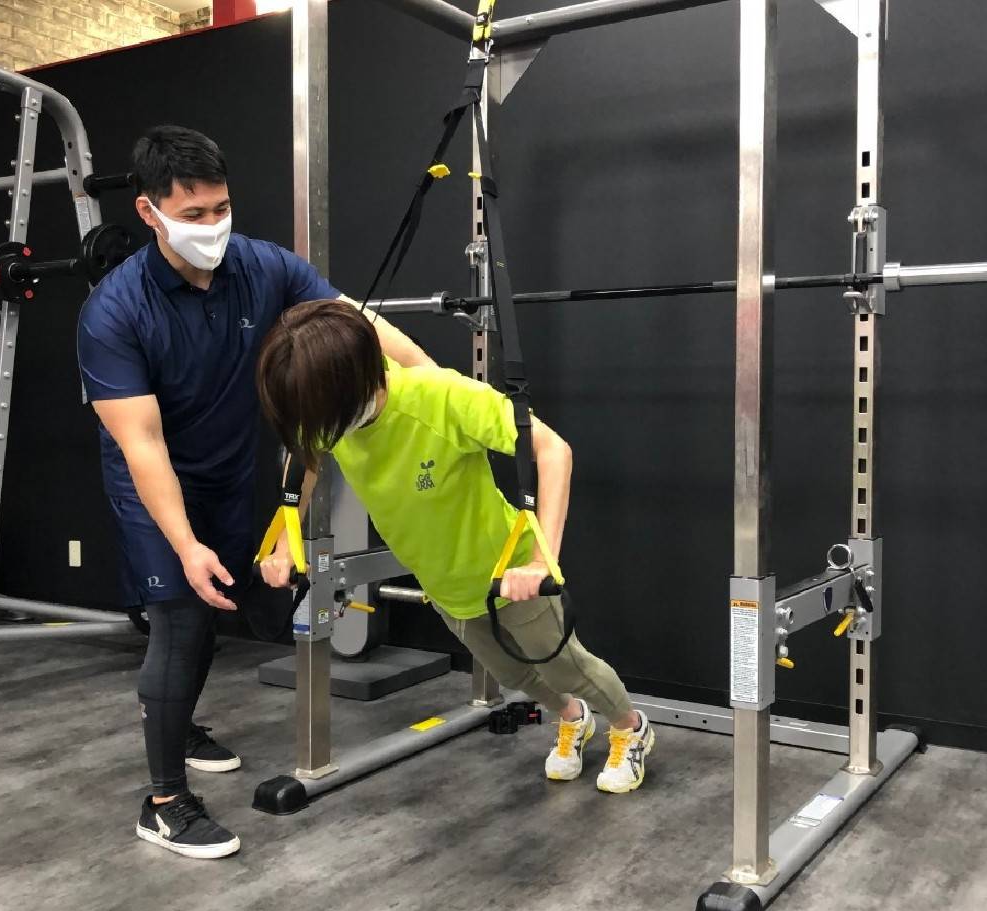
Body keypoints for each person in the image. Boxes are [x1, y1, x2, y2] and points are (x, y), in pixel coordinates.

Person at [77, 127, 433, 860]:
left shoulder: (261, 266)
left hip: (237, 470)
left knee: (215, 616)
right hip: (156, 485)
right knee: (180, 619)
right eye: (194, 214)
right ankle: (164, 802)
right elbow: (142, 446)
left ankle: (181, 724)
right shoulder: (114, 311)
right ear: (149, 212)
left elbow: (354, 322)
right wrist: (184, 543)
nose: (213, 226)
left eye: (221, 208)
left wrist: (436, 381)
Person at [256, 299, 655, 800]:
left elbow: (553, 450)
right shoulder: (328, 411)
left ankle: (630, 726)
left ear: (357, 383)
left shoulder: (440, 396)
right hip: (444, 583)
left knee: (565, 667)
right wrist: (282, 544)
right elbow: (307, 456)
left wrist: (541, 560)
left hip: (507, 571)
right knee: (513, 673)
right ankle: (573, 718)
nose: (315, 430)